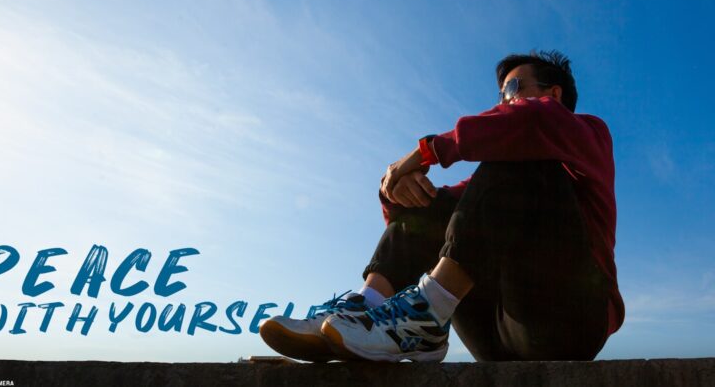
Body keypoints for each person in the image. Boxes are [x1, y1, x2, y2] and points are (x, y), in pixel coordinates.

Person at [259, 50, 624, 362]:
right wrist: (397, 191)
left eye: (511, 89)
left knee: (526, 153)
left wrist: (427, 151)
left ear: (554, 93)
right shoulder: (498, 184)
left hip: (570, 323)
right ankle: (367, 307)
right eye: (499, 94)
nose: (502, 101)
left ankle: (427, 312)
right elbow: (428, 216)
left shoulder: (588, 133)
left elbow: (533, 119)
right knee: (441, 202)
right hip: (495, 336)